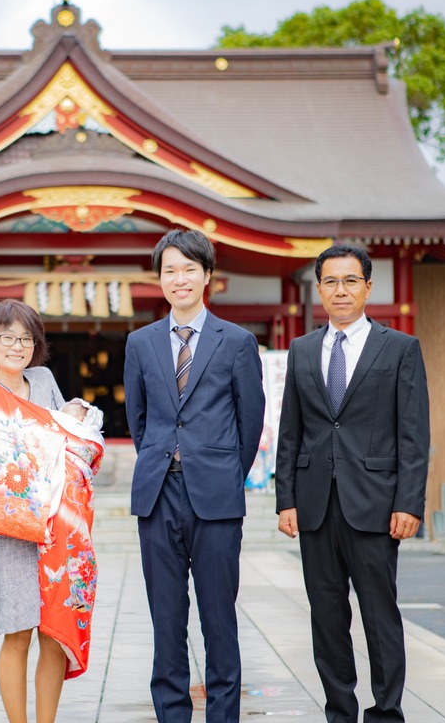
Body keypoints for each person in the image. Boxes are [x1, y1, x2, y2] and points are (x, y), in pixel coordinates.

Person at [274, 243, 430, 723]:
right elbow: (291, 431)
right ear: (319, 288)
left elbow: (414, 432)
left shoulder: (400, 348)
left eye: (349, 281)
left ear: (367, 286)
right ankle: (339, 711)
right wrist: (286, 500)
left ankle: (386, 712)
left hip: (378, 504)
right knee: (327, 618)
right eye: (330, 282)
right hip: (316, 503)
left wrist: (410, 502)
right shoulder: (302, 350)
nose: (340, 291)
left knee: (380, 617)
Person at [124, 228, 265, 723]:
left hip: (217, 497)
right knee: (166, 620)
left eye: (189, 269)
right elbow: (139, 422)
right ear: (159, 279)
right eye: (170, 271)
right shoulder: (139, 343)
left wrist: (221, 471)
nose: (179, 279)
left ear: (207, 276)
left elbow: (250, 423)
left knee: (218, 620)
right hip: (157, 494)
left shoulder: (238, 342)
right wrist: (166, 461)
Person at [0, 299, 99, 723]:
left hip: (60, 531)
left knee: (54, 635)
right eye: (6, 337)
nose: (17, 346)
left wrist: (73, 412)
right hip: (17, 532)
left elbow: (68, 431)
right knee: (18, 630)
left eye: (26, 338)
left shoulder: (42, 380)